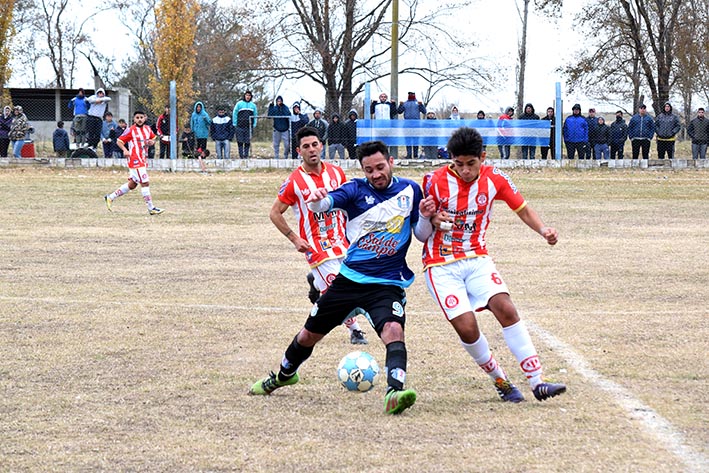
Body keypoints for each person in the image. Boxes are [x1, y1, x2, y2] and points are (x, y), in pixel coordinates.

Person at [249, 140, 434, 416]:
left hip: (387, 283)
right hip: (349, 281)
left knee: (393, 331)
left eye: (380, 167)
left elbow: (421, 234)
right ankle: (284, 374)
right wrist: (317, 199)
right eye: (369, 170)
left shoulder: (411, 190)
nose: (376, 174)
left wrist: (426, 217)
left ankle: (395, 391)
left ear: (391, 162)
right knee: (308, 334)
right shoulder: (354, 189)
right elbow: (323, 205)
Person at [414, 126, 567, 403]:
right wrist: (431, 220)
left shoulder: (495, 178)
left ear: (482, 157)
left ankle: (537, 381)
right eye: (459, 164)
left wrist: (543, 230)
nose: (465, 171)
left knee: (506, 308)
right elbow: (421, 235)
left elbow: (522, 208)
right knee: (468, 328)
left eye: (471, 164)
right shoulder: (433, 181)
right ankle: (501, 380)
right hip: (440, 264)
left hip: (477, 258)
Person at [270, 126, 369, 345]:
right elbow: (275, 213)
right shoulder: (294, 182)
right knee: (338, 290)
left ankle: (316, 285)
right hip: (316, 246)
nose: (312, 150)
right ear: (299, 151)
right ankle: (356, 330)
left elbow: (348, 202)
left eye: (315, 144)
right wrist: (295, 238)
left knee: (357, 284)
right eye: (306, 146)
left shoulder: (336, 173)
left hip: (343, 242)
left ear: (321, 146)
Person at [103, 110, 164, 215]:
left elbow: (153, 138)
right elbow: (119, 141)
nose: (139, 119)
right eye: (137, 118)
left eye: (141, 117)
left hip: (143, 158)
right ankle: (151, 208)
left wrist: (151, 142)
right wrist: (125, 150)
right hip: (135, 159)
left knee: (132, 185)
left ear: (144, 118)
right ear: (134, 119)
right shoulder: (130, 130)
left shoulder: (147, 129)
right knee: (145, 183)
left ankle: (110, 197)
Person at [397, 92, 426, 158]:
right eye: (410, 94)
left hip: (416, 125)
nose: (411, 95)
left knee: (416, 140)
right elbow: (399, 111)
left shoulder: (418, 103)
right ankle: (409, 155)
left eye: (412, 94)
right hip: (407, 124)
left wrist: (421, 105)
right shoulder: (405, 103)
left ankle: (415, 155)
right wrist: (400, 105)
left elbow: (424, 111)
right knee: (408, 140)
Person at [232, 90, 258, 159]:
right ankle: (241, 156)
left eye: (249, 95)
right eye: (247, 95)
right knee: (240, 141)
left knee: (247, 142)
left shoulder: (253, 105)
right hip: (240, 126)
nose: (248, 97)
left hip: (249, 127)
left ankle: (246, 155)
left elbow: (255, 115)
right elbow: (235, 113)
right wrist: (235, 123)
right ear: (244, 96)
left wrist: (254, 124)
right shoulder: (239, 104)